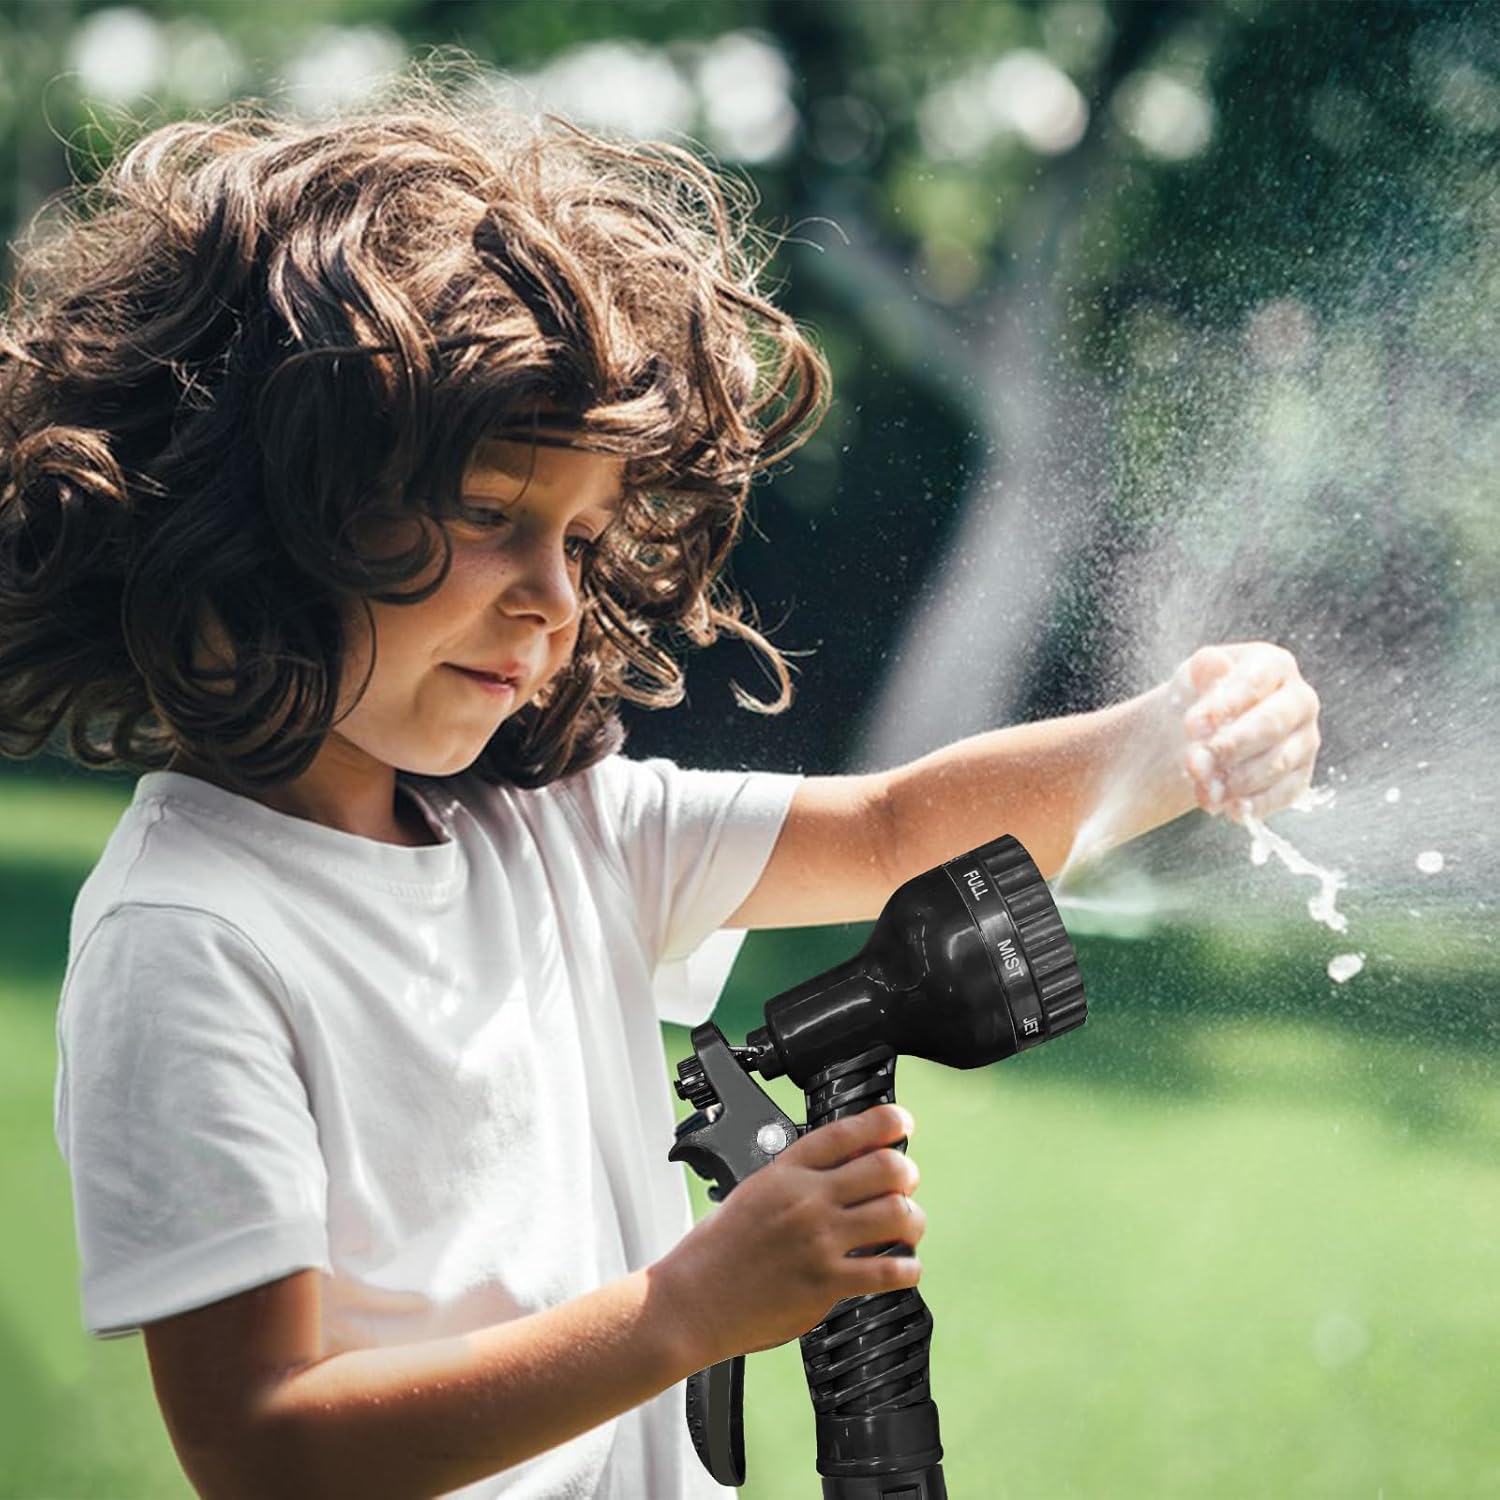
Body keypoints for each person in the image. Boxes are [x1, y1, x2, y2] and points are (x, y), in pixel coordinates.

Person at [0, 58, 1320, 1500]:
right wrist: (686, 1310)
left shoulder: (557, 833)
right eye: (493, 515)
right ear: (260, 515)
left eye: (578, 542)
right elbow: (266, 1447)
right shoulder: (190, 940)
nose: (551, 600)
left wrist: (1160, 737)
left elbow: (889, 827)